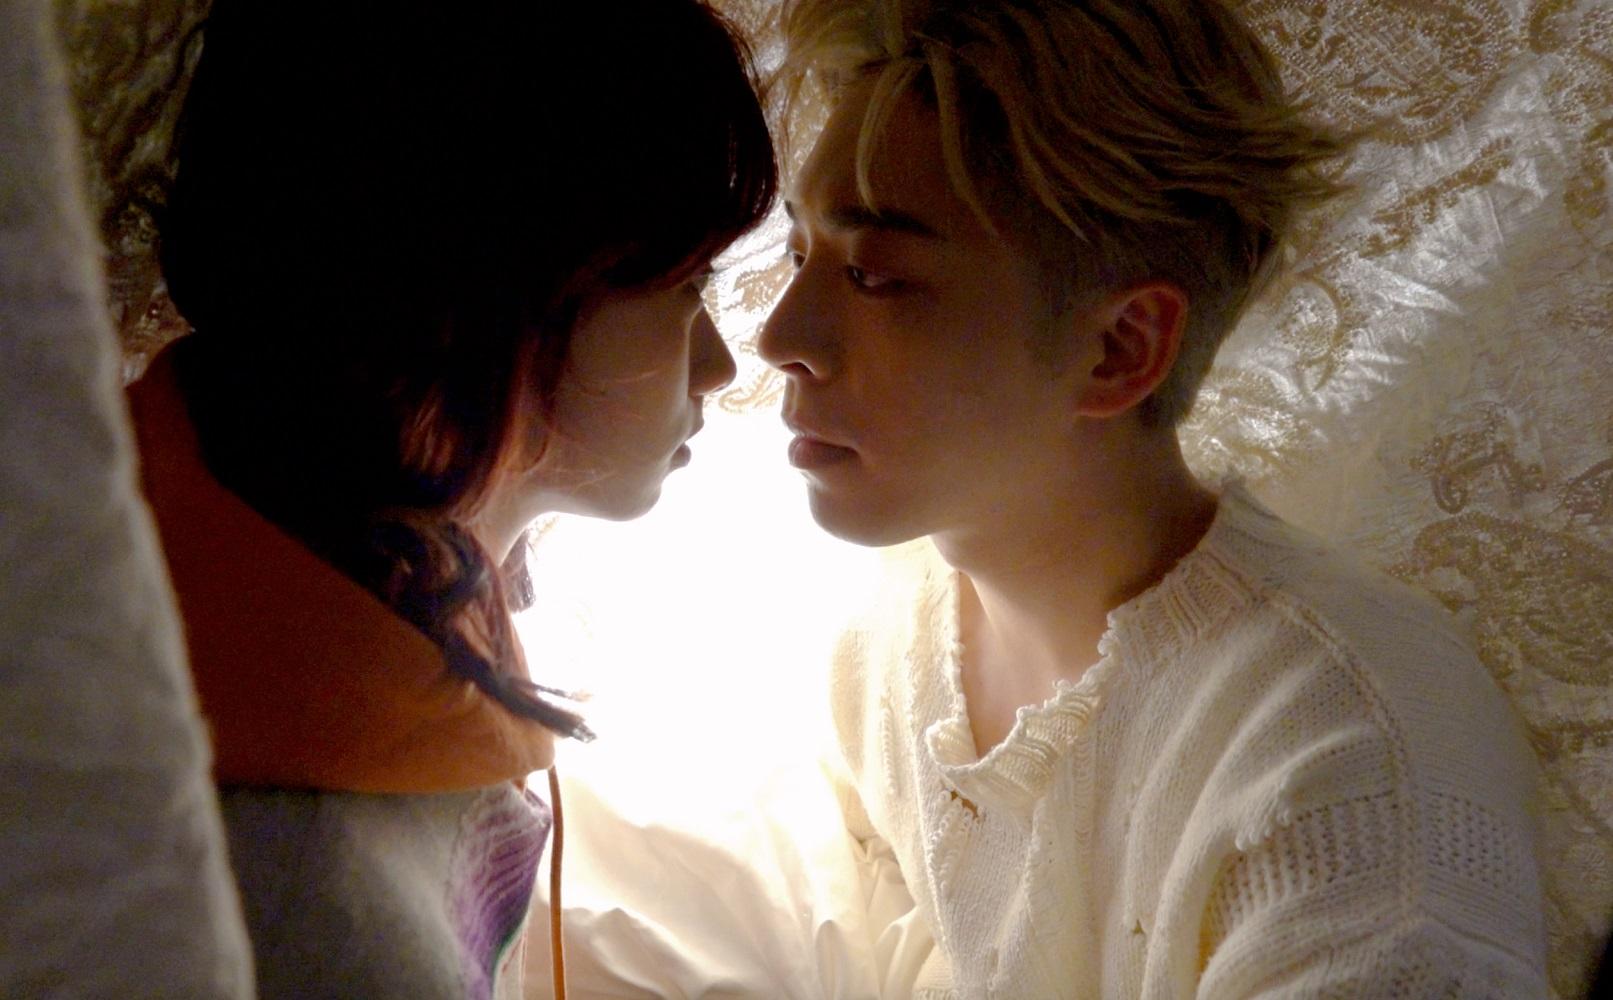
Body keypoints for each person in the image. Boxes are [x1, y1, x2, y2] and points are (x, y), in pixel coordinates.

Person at [760, 0, 1548, 996]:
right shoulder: (881, 646)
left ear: (1118, 349)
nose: (779, 335)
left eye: (875, 275)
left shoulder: (1349, 774)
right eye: (799, 254)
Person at [131, 2, 775, 997]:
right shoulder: (319, 911)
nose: (720, 366)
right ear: (502, 296)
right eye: (688, 286)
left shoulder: (213, 521)